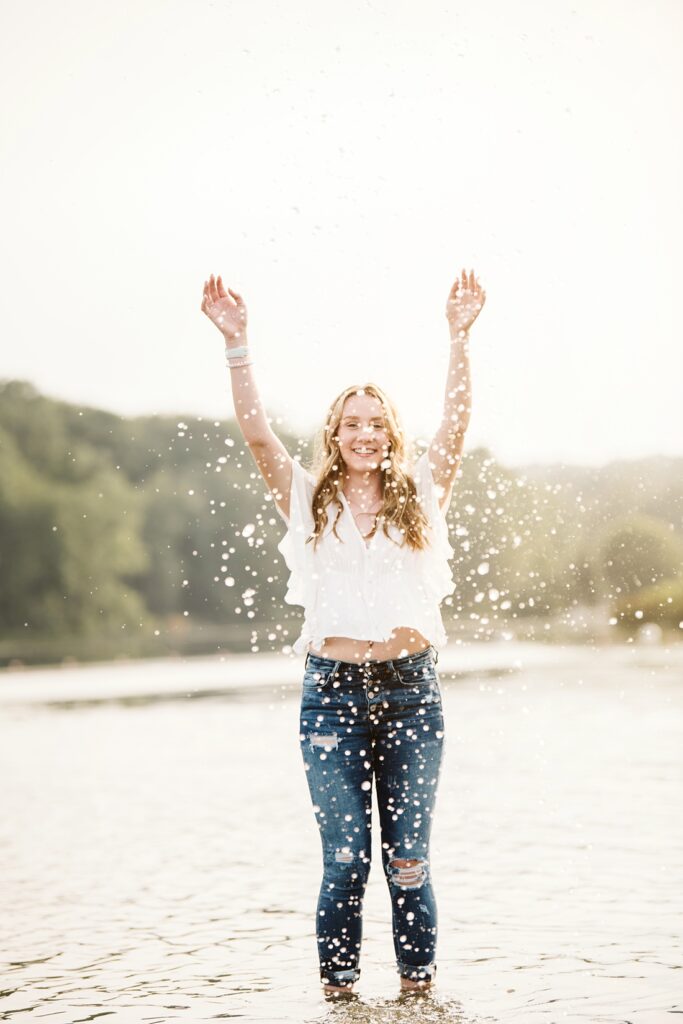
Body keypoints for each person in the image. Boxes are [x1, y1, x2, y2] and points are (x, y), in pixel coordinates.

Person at [201, 268, 486, 996]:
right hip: (329, 698)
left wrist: (458, 338)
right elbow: (257, 434)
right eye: (351, 422)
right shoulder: (306, 501)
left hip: (410, 696)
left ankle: (418, 999)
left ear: (391, 433)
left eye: (376, 421)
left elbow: (453, 427)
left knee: (408, 861)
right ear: (334, 432)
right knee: (345, 861)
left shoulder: (420, 495)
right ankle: (339, 997)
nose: (365, 432)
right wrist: (238, 344)